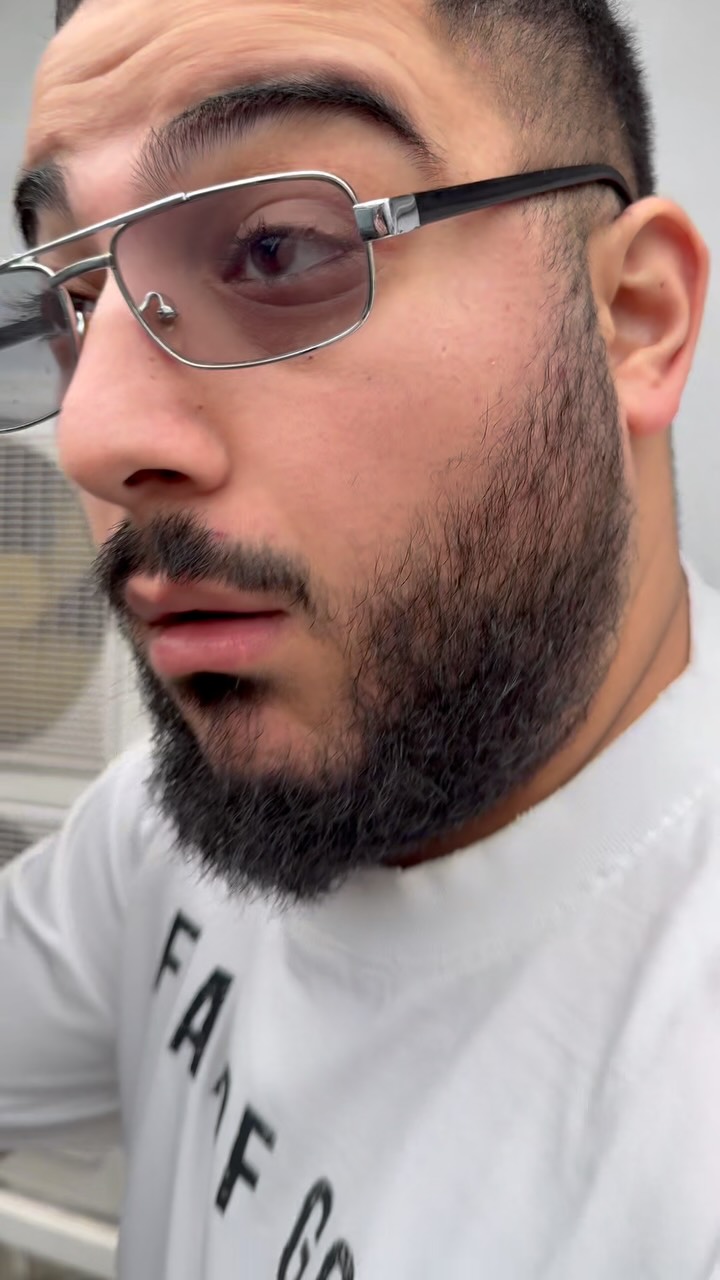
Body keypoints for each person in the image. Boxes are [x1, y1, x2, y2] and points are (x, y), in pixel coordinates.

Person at [0, 0, 718, 1274]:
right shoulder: (156, 832)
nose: (93, 435)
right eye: (75, 304)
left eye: (274, 250)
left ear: (632, 315)